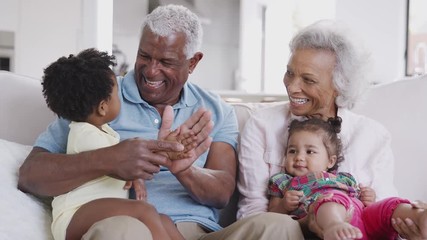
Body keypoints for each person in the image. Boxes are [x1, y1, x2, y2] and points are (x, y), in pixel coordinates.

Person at [18, 4, 301, 240]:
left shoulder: (215, 110)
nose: (151, 70)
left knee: (280, 227)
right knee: (124, 229)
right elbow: (31, 175)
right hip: (127, 227)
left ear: (193, 62)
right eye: (144, 56)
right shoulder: (97, 97)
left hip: (194, 232)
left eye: (166, 61)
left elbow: (222, 193)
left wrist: (183, 169)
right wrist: (110, 158)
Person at [237, 19, 426, 239]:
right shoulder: (262, 125)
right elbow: (253, 214)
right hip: (301, 229)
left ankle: (421, 218)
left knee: (392, 209)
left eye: (308, 80)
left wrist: (402, 225)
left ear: (340, 84)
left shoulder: (372, 136)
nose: (292, 86)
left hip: (359, 226)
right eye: (290, 73)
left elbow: (381, 205)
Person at [41, 48, 186, 240]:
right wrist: (136, 172)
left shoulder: (106, 132)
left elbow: (121, 162)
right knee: (144, 211)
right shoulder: (84, 134)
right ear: (103, 107)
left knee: (164, 220)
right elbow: (118, 161)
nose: (121, 100)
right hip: (74, 215)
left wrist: (137, 177)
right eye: (117, 95)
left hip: (94, 212)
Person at [268, 118, 427, 240]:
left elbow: (361, 204)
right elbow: (271, 214)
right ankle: (333, 225)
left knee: (389, 206)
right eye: (292, 151)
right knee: (330, 200)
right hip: (321, 218)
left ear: (330, 161)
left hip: (361, 217)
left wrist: (368, 198)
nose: (299, 157)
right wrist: (284, 205)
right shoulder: (283, 181)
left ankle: (420, 218)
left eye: (310, 152)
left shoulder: (345, 179)